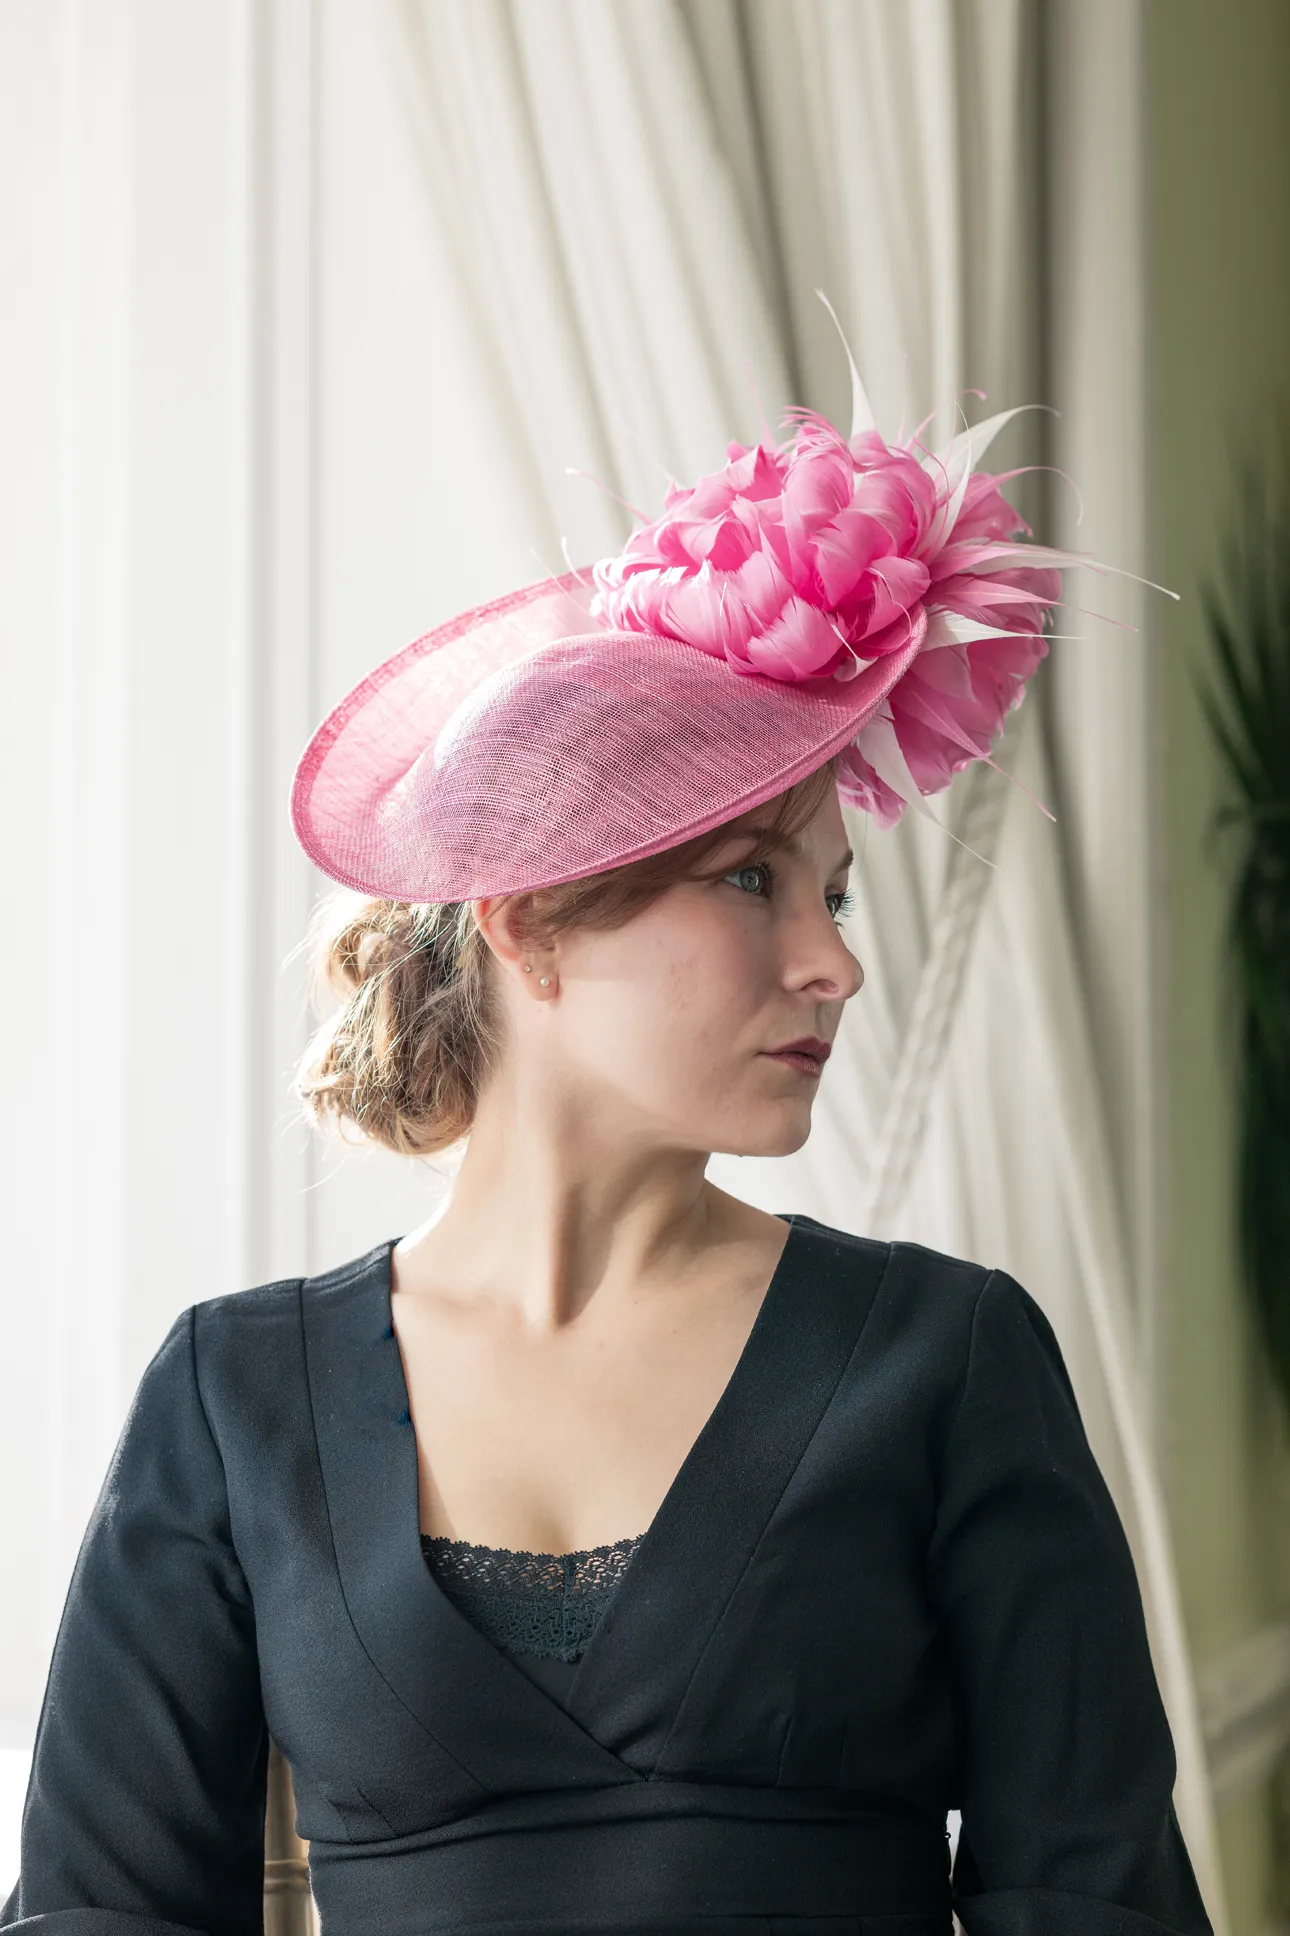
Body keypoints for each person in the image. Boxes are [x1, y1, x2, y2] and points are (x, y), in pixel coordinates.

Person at [3, 349, 1215, 1935]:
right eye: (749, 883)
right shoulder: (234, 1400)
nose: (832, 963)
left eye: (833, 898)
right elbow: (102, 1915)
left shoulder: (948, 1357)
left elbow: (1094, 1901)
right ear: (528, 924)